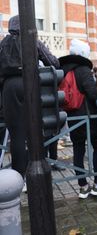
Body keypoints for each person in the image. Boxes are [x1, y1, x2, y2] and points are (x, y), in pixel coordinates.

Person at [0, 15, 59, 178]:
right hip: (30, 84)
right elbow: (53, 62)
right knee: (36, 128)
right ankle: (38, 165)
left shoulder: (3, 44)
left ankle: (20, 175)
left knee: (16, 132)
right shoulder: (32, 41)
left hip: (9, 88)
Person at [59, 39, 97, 199]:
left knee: (78, 150)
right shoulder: (83, 69)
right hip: (88, 115)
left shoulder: (62, 69)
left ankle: (83, 186)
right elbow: (92, 93)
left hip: (72, 115)